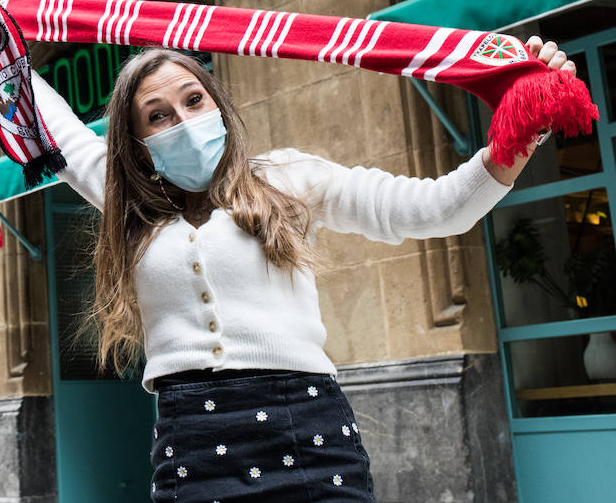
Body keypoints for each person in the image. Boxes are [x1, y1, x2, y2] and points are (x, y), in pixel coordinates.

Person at [31, 38, 577, 501]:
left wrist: (525, 129)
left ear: (218, 103)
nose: (184, 121)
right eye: (159, 115)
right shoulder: (128, 205)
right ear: (139, 143)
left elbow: (436, 208)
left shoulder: (290, 179)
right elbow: (57, 128)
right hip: (192, 438)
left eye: (194, 100)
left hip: (307, 428)